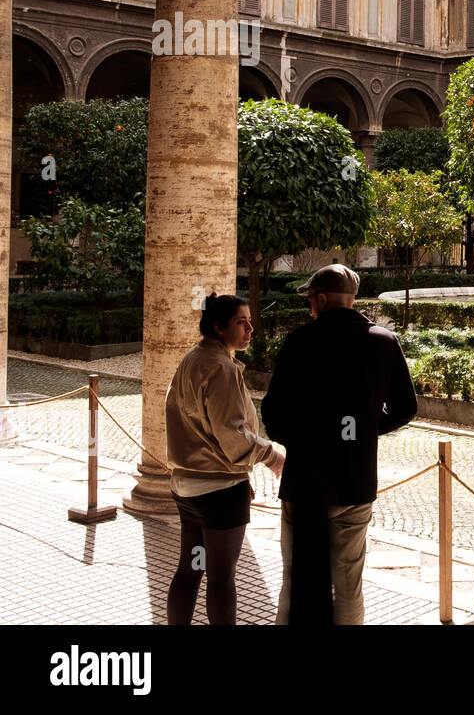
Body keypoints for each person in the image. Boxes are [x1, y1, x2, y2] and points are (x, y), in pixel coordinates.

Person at [261, 264, 417, 625]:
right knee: (348, 586)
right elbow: (406, 408)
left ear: (320, 299)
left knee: (297, 582)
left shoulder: (300, 341)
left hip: (304, 483)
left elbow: (272, 412)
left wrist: (304, 438)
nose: (309, 310)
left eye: (310, 303)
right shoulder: (383, 342)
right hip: (355, 481)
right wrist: (363, 429)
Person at [165, 293, 284, 625]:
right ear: (218, 328)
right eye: (240, 322)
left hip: (186, 487)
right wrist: (272, 455)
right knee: (220, 578)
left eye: (249, 320)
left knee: (191, 568)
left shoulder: (193, 357)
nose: (250, 328)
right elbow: (232, 434)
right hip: (218, 490)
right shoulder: (221, 368)